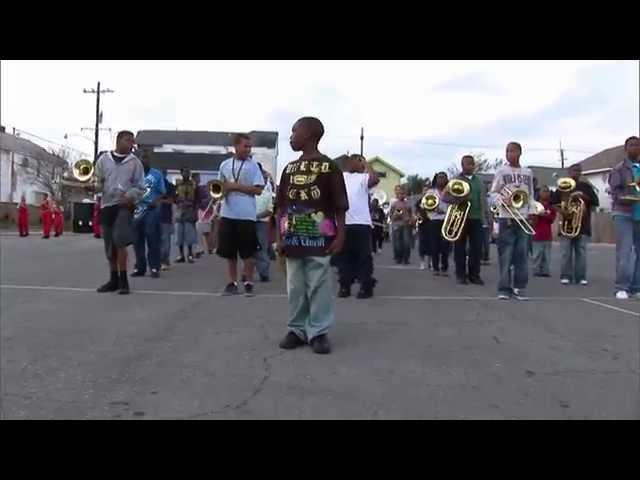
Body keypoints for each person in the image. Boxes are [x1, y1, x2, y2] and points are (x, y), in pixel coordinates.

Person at [275, 117, 348, 354]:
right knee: (295, 285)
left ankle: (318, 331)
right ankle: (297, 329)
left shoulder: (329, 167)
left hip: (321, 236)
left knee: (319, 284)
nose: (291, 136)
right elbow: (281, 206)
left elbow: (339, 205)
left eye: (294, 131)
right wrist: (279, 235)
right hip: (293, 236)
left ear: (307, 135)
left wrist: (340, 235)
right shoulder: (289, 169)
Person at [94, 130, 145, 295]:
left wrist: (130, 196)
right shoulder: (103, 159)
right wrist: (94, 187)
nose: (131, 144)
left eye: (132, 141)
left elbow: (141, 187)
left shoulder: (135, 162)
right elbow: (98, 181)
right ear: (118, 141)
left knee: (120, 241)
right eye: (127, 140)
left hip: (124, 206)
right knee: (109, 246)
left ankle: (124, 281)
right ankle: (113, 279)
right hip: (107, 205)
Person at [217, 133, 264, 297]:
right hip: (228, 213)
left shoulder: (253, 166)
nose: (248, 149)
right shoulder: (224, 165)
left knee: (248, 253)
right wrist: (222, 192)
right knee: (229, 252)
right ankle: (232, 283)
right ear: (236, 147)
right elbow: (219, 188)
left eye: (249, 147)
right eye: (245, 146)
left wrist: (235, 186)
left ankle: (249, 282)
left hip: (246, 215)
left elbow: (258, 189)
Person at [491, 142, 537, 300]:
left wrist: (532, 212)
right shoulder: (501, 171)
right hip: (506, 217)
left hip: (523, 217)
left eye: (513, 151)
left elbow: (530, 194)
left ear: (519, 153)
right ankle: (504, 289)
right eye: (507, 151)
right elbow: (493, 193)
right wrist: (502, 200)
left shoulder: (528, 172)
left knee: (522, 254)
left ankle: (519, 287)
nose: (510, 154)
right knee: (506, 254)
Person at [336, 154, 379, 299]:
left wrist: (366, 164)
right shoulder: (341, 176)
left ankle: (365, 287)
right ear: (350, 162)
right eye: (357, 160)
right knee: (344, 257)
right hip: (344, 223)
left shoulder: (363, 177)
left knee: (364, 257)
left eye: (361, 161)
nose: (360, 163)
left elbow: (375, 179)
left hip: (361, 223)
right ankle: (344, 286)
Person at [552, 163, 599, 286]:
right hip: (566, 224)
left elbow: (596, 202)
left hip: (582, 225)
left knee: (581, 252)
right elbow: (553, 202)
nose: (576, 172)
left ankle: (581, 277)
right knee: (566, 253)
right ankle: (566, 276)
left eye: (578, 170)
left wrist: (583, 196)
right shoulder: (563, 186)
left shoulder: (586, 186)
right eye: (574, 170)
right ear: (569, 172)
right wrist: (562, 210)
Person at [444, 155, 488, 285]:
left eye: (472, 164)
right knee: (460, 248)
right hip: (460, 217)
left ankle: (474, 275)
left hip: (476, 218)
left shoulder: (479, 181)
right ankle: (461, 274)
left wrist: (486, 217)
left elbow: (484, 200)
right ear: (462, 165)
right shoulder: (455, 180)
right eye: (467, 164)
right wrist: (457, 200)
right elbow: (444, 197)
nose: (470, 166)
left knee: (476, 248)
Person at [608, 136, 640, 300]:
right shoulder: (619, 169)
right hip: (624, 213)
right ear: (626, 149)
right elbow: (615, 192)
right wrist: (626, 197)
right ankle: (621, 287)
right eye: (632, 145)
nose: (635, 148)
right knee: (625, 252)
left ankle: (636, 287)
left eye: (638, 145)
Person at [131, 153, 166, 279]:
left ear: (149, 160)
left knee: (152, 239)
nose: (143, 160)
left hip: (151, 210)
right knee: (137, 240)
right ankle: (140, 267)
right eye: (141, 158)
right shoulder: (132, 174)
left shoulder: (156, 174)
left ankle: (155, 267)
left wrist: (155, 201)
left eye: (146, 158)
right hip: (136, 210)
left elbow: (162, 192)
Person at [425, 172, 451, 276]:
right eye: (439, 178)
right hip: (434, 220)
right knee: (434, 244)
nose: (441, 180)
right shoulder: (431, 191)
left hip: (446, 219)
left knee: (445, 245)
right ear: (436, 179)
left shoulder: (450, 191)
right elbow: (426, 204)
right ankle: (435, 267)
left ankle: (444, 267)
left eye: (444, 178)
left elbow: (453, 203)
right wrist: (436, 209)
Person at [254, 162, 275, 282]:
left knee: (261, 247)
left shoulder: (267, 192)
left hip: (262, 223)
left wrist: (257, 216)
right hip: (248, 222)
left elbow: (270, 210)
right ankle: (247, 273)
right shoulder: (247, 191)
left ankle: (264, 272)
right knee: (247, 249)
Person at [531, 186, 556, 277]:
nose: (546, 193)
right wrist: (537, 214)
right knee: (537, 254)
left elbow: (552, 219)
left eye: (547, 191)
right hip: (537, 234)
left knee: (546, 255)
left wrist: (544, 214)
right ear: (540, 193)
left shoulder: (551, 207)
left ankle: (546, 270)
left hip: (547, 235)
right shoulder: (535, 205)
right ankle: (536, 270)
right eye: (544, 191)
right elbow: (532, 218)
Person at [175, 167, 198, 264]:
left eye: (188, 172)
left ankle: (189, 254)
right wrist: (178, 202)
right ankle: (181, 255)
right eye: (184, 172)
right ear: (181, 173)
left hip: (190, 210)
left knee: (189, 234)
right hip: (180, 210)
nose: (186, 174)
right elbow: (174, 196)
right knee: (179, 234)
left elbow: (197, 198)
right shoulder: (177, 184)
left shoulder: (194, 185)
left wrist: (194, 207)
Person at [390, 185, 413, 264]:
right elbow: (391, 216)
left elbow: (411, 215)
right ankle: (399, 258)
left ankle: (406, 258)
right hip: (396, 225)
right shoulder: (394, 204)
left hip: (406, 225)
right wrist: (396, 215)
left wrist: (409, 219)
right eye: (400, 194)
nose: (401, 195)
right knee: (397, 243)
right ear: (397, 195)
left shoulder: (408, 204)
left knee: (406, 242)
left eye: (403, 194)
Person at [159, 169, 176, 270]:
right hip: (154, 216)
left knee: (165, 240)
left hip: (166, 216)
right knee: (156, 241)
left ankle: (164, 260)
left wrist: (158, 200)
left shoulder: (169, 186)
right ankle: (158, 260)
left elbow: (171, 200)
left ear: (165, 174)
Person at [415, 181, 432, 270]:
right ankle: (422, 262)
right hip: (422, 224)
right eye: (424, 190)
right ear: (422, 192)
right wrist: (418, 216)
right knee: (422, 243)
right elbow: (417, 212)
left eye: (427, 190)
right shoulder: (418, 202)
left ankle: (430, 262)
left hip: (431, 223)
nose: (426, 192)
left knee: (431, 243)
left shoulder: (432, 200)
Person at [481, 190, 493, 265]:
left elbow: (489, 213)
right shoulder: (487, 200)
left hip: (485, 224)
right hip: (481, 223)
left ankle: (485, 256)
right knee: (484, 241)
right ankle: (483, 256)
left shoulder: (488, 200)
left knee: (485, 241)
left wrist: (490, 221)